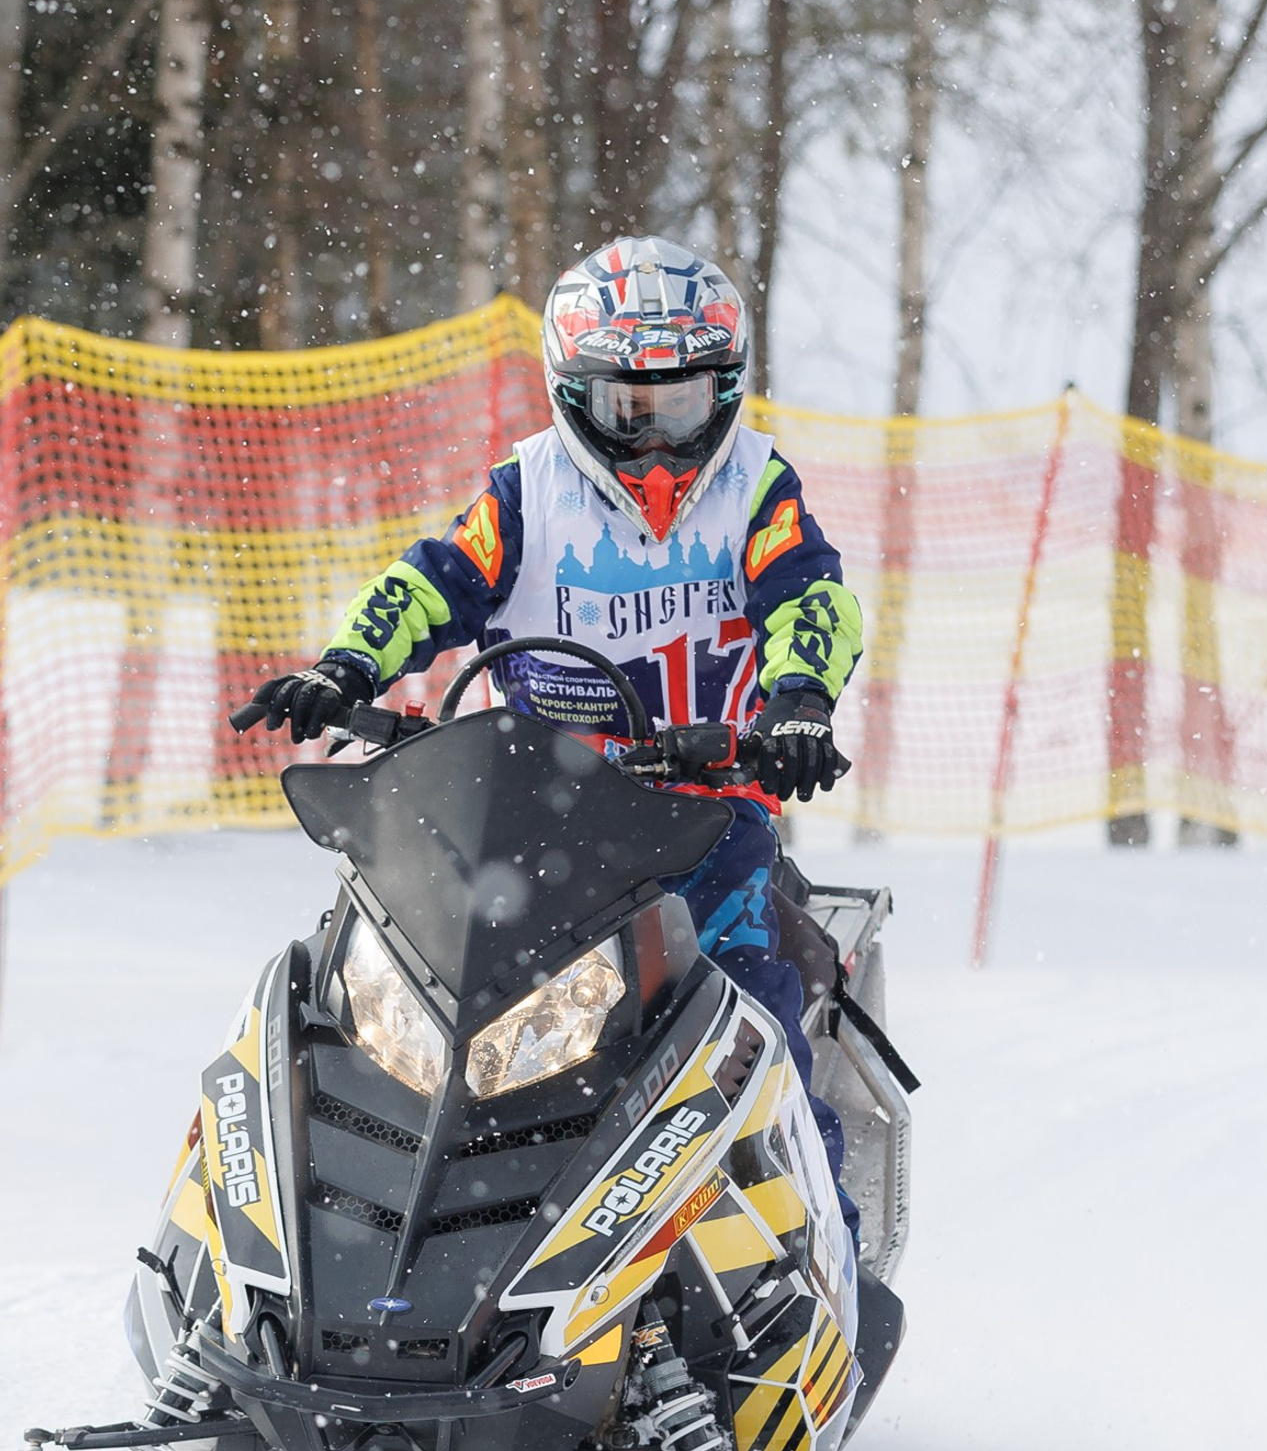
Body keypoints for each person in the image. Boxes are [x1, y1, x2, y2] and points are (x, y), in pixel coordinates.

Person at [243, 235, 866, 1235]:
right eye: (630, 409)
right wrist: (345, 666)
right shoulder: (526, 492)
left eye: (684, 404)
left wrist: (797, 701)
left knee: (754, 1029)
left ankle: (814, 1246)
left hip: (698, 823)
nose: (659, 443)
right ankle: (339, 1239)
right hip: (529, 823)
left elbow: (812, 597)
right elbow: (428, 583)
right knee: (371, 1014)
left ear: (728, 388)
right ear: (573, 394)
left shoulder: (756, 487)